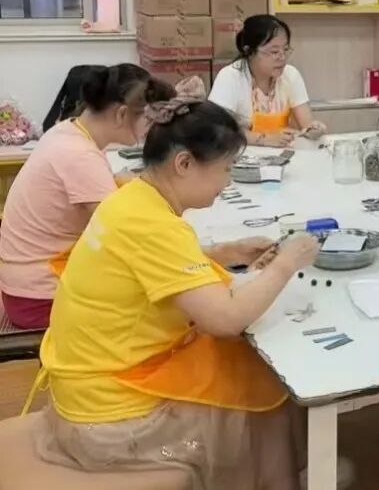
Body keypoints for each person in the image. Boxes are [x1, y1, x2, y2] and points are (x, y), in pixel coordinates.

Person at [33, 99, 321, 490]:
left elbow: (143, 265)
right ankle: (283, 478)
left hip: (87, 386)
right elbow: (225, 319)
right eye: (225, 169)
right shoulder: (155, 225)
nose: (227, 183)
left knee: (248, 368)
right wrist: (288, 262)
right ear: (184, 163)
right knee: (261, 388)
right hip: (109, 415)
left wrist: (223, 253)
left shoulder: (131, 198)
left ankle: (299, 470)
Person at [0, 64, 174, 329]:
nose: (149, 130)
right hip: (40, 298)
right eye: (148, 120)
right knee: (169, 312)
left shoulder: (68, 131)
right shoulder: (79, 155)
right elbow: (125, 236)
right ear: (121, 114)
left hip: (25, 285)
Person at [209, 14, 325, 147]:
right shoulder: (231, 77)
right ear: (249, 51)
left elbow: (306, 123)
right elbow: (217, 129)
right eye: (274, 52)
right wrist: (264, 139)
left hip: (281, 155)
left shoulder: (290, 75)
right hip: (242, 155)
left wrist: (313, 129)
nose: (282, 57)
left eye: (285, 49)